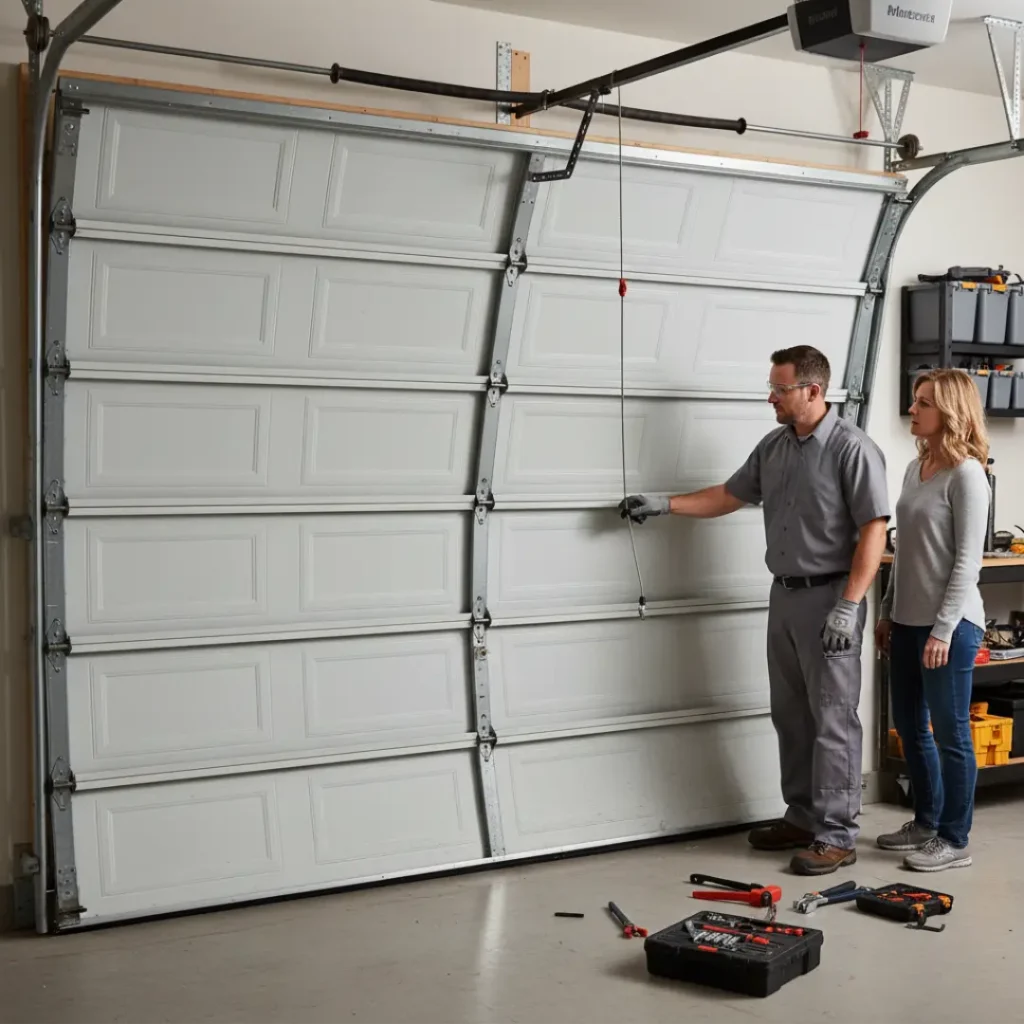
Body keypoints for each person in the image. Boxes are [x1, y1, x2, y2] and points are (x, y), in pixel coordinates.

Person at [620, 345, 889, 875]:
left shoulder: (852, 450)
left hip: (831, 598)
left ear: (813, 390)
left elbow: (874, 531)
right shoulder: (775, 447)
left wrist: (848, 606)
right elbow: (728, 494)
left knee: (833, 719)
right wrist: (666, 503)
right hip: (785, 597)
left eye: (781, 388)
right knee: (790, 714)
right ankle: (803, 815)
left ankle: (837, 835)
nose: (772, 397)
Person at [874, 369, 990, 872]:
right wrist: (886, 612)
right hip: (906, 621)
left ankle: (954, 838)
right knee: (908, 725)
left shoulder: (967, 475)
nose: (912, 411)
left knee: (950, 732)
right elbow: (902, 551)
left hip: (952, 626)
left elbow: (969, 561)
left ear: (949, 412)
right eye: (914, 401)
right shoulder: (914, 467)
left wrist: (943, 630)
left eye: (923, 403)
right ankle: (925, 821)